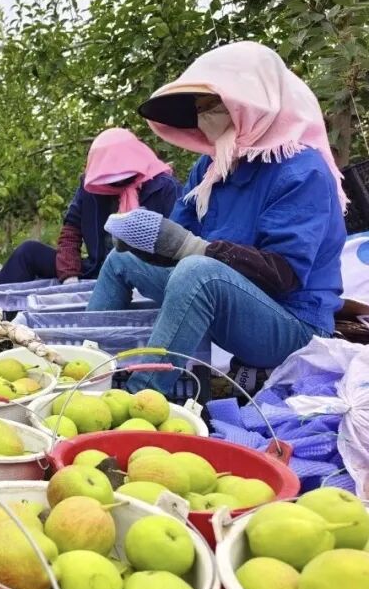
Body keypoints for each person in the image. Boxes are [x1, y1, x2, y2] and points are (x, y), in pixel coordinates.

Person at [90, 41, 347, 393]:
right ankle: (87, 371)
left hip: (292, 324)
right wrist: (143, 242)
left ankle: (142, 399)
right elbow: (180, 241)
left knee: (199, 273)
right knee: (120, 262)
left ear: (251, 102)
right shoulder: (212, 169)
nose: (202, 119)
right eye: (198, 109)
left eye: (212, 106)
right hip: (229, 300)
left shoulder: (302, 171)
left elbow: (282, 276)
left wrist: (194, 249)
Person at [0, 128, 180, 285]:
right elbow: (71, 231)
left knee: (123, 260)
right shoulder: (92, 185)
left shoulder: (163, 187)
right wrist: (69, 275)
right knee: (28, 252)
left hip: (141, 272)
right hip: (95, 268)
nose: (115, 184)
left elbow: (176, 242)